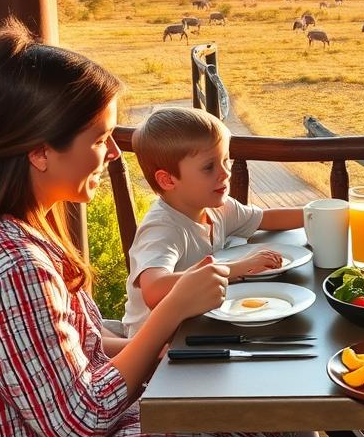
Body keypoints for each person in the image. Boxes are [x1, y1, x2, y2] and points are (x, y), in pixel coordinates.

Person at [0, 24, 343, 437]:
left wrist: (149, 346)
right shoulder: (9, 266)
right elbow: (80, 422)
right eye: (100, 138)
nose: (114, 154)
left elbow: (65, 349)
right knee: (257, 420)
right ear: (40, 152)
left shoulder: (4, 237)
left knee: (256, 397)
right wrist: (168, 316)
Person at [123, 106, 303, 337]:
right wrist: (239, 267)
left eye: (226, 160)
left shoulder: (217, 207)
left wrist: (321, 213)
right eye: (209, 167)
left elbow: (266, 218)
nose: (225, 173)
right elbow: (155, 291)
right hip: (160, 348)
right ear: (168, 180)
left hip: (202, 325)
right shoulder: (162, 229)